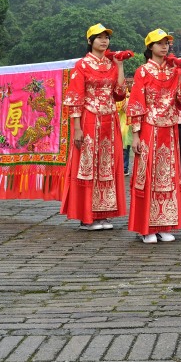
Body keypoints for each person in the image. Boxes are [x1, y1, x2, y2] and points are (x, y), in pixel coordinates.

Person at [60, 23, 127, 231]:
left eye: (106, 37)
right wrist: (77, 127)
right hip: (89, 119)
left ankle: (103, 214)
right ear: (90, 41)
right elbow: (75, 97)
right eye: (99, 37)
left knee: (106, 166)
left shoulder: (111, 65)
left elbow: (120, 94)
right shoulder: (82, 65)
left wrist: (120, 65)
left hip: (109, 121)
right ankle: (86, 216)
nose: (104, 40)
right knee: (87, 167)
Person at [127, 28, 181, 244]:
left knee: (168, 176)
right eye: (160, 43)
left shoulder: (174, 72)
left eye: (167, 43)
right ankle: (146, 228)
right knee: (148, 175)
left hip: (170, 129)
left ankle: (164, 224)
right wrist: (135, 135)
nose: (164, 46)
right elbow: (136, 104)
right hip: (149, 128)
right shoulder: (142, 71)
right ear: (150, 47)